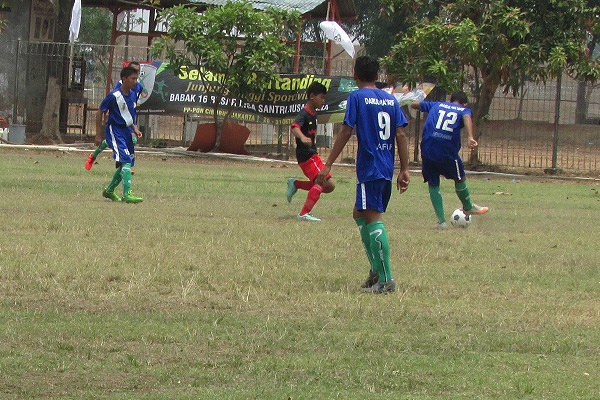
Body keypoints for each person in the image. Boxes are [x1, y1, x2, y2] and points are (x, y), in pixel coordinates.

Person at [316, 56, 410, 294]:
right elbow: (400, 134)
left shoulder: (357, 97)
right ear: (376, 76)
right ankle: (376, 270)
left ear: (355, 74)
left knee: (372, 218)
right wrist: (405, 169)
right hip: (386, 166)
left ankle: (386, 279)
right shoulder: (391, 99)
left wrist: (328, 164)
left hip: (370, 166)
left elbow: (346, 130)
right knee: (359, 213)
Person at [410, 91, 488, 229]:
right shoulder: (463, 109)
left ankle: (441, 222)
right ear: (464, 103)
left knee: (433, 183)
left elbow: (415, 105)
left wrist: (410, 96)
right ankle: (468, 206)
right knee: (459, 178)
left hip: (427, 148)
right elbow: (466, 116)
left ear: (450, 100)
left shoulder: (437, 104)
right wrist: (470, 137)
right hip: (446, 150)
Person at [286, 81, 335, 222]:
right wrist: (302, 137)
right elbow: (294, 127)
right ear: (312, 96)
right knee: (322, 182)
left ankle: (295, 184)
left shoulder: (313, 114)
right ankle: (303, 213)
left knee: (329, 186)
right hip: (307, 155)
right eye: (321, 97)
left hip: (312, 155)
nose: (323, 101)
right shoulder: (304, 113)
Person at [86, 61, 144, 170]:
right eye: (134, 71)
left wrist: (133, 124)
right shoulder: (120, 86)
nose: (136, 74)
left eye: (138, 71)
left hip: (130, 118)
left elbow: (132, 103)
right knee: (114, 142)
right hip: (118, 119)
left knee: (129, 141)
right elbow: (116, 101)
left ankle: (124, 166)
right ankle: (99, 158)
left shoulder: (139, 87)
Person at [98, 65, 144, 203]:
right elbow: (100, 110)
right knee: (126, 161)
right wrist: (98, 134)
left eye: (136, 79)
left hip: (127, 131)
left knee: (127, 163)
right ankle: (127, 194)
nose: (135, 82)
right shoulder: (114, 96)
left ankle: (109, 190)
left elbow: (129, 116)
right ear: (124, 79)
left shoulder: (131, 95)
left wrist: (134, 128)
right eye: (133, 78)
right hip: (115, 130)